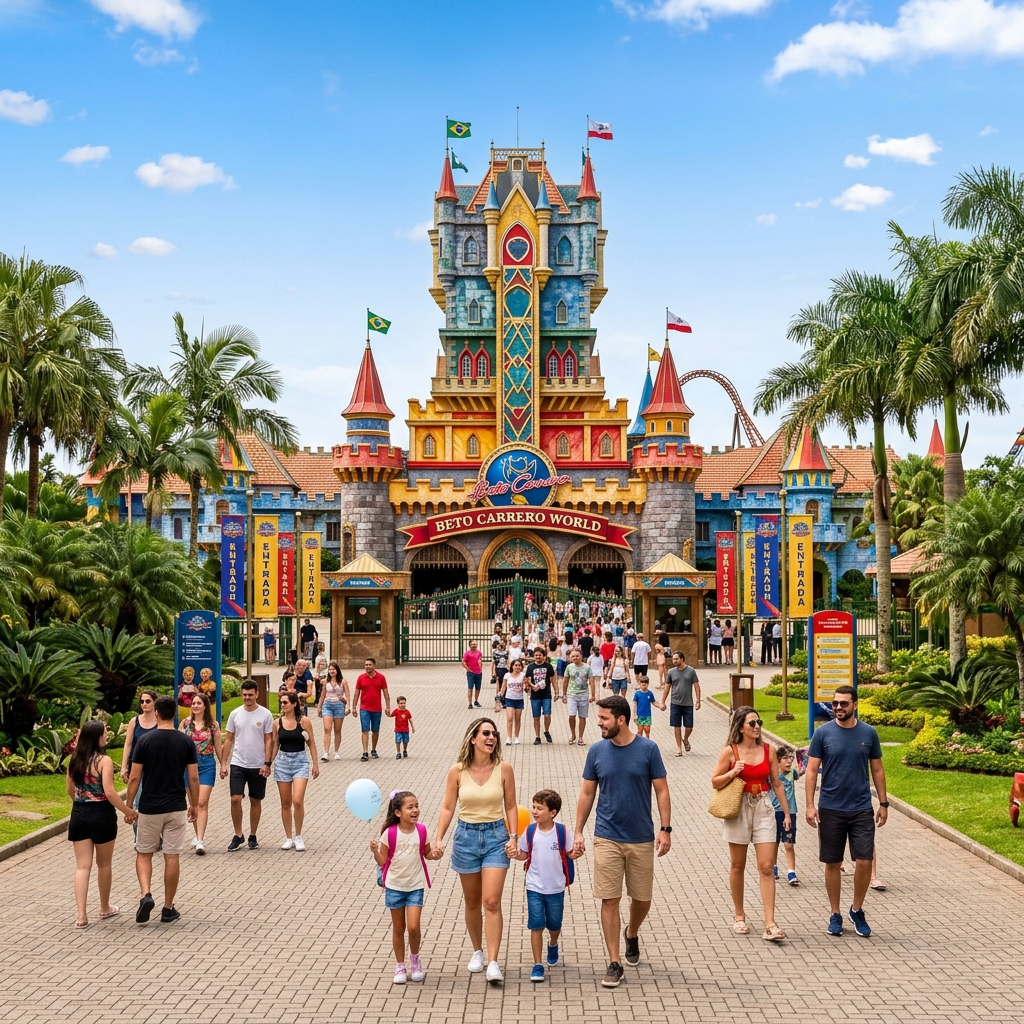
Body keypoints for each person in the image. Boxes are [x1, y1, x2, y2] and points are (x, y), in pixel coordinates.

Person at [573, 696, 671, 989]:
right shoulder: (596, 751)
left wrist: (665, 829)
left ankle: (632, 932)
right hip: (607, 836)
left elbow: (662, 791)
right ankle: (614, 961)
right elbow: (587, 793)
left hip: (641, 836)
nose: (599, 723)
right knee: (610, 898)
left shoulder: (648, 749)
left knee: (642, 899)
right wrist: (578, 831)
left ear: (621, 720)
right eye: (599, 718)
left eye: (604, 718)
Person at [432, 718, 519, 985]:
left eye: (494, 734)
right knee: (472, 901)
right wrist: (438, 838)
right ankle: (477, 951)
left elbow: (511, 806)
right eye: (486, 733)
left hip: (496, 837)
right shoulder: (457, 771)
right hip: (466, 837)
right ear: (473, 739)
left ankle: (493, 962)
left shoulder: (504, 769)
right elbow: (448, 807)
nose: (491, 737)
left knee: (491, 901)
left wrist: (514, 837)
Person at [805, 684, 888, 937]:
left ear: (855, 705)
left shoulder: (868, 733)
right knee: (832, 862)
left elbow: (877, 769)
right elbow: (811, 770)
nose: (838, 707)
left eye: (844, 703)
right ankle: (835, 914)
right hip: (830, 808)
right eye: (835, 703)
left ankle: (856, 909)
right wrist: (810, 805)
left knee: (864, 860)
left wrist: (883, 803)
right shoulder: (823, 733)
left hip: (861, 807)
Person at [711, 706, 791, 942]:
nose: (757, 727)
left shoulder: (769, 750)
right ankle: (739, 915)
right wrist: (733, 772)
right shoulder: (730, 751)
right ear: (740, 727)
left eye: (759, 723)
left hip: (764, 806)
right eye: (752, 723)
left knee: (766, 866)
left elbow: (777, 783)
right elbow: (715, 782)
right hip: (739, 808)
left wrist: (786, 813)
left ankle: (770, 924)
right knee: (738, 865)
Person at [126, 696, 199, 925]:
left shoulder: (145, 741)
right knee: (171, 855)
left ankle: (146, 894)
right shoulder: (186, 741)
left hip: (149, 806)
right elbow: (193, 778)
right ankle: (168, 907)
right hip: (176, 806)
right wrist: (194, 804)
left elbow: (135, 777)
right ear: (175, 714)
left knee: (144, 853)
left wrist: (129, 806)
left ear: (156, 713)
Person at [66, 720, 136, 927]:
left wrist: (81, 802)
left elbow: (70, 789)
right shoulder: (104, 761)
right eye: (105, 732)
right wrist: (128, 811)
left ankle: (81, 916)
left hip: (79, 813)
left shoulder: (74, 760)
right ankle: (104, 907)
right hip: (101, 814)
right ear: (97, 737)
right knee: (104, 864)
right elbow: (110, 792)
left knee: (82, 866)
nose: (107, 735)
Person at [371, 790, 441, 985]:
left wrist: (435, 854)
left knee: (413, 927)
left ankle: (415, 960)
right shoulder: (390, 833)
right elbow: (382, 861)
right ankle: (400, 965)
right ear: (398, 812)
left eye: (416, 806)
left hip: (415, 885)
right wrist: (375, 851)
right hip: (394, 886)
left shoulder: (422, 831)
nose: (415, 810)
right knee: (399, 928)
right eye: (410, 807)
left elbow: (427, 854)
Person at [512, 789, 578, 983]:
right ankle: (537, 964)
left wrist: (577, 852)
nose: (534, 811)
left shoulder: (562, 832)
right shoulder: (530, 831)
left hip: (556, 887)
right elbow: (524, 853)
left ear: (552, 812)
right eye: (534, 807)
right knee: (536, 925)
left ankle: (553, 943)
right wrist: (515, 854)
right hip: (534, 887)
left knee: (555, 924)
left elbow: (570, 853)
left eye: (539, 808)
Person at [220, 680, 274, 851]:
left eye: (250, 695)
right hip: (238, 763)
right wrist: (223, 763)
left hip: (258, 764)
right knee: (235, 798)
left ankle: (253, 835)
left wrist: (267, 763)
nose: (247, 697)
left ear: (257, 694)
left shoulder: (265, 714)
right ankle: (238, 835)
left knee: (255, 800)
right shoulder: (235, 714)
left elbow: (269, 740)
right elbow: (229, 739)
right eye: (244, 695)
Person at [271, 690, 320, 850]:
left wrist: (315, 764)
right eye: (281, 702)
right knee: (285, 803)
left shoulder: (304, 721)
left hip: (300, 762)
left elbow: (311, 743)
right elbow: (275, 744)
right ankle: (288, 837)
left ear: (294, 704)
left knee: (297, 801)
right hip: (282, 762)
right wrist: (267, 763)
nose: (283, 705)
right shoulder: (277, 723)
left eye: (285, 702)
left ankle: (298, 836)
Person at [179, 693, 223, 855]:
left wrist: (223, 764)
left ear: (205, 706)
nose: (195, 706)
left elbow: (218, 746)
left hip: (207, 765)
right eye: (193, 703)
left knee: (202, 802)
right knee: (193, 803)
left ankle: (200, 840)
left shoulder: (213, 725)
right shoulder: (185, 723)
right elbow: (179, 744)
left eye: (198, 703)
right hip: (188, 766)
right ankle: (197, 834)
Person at [121, 689, 158, 836]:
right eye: (142, 701)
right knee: (138, 802)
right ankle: (138, 837)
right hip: (137, 768)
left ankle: (155, 835)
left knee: (155, 803)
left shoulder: (160, 720)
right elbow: (128, 744)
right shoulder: (134, 721)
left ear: (154, 702)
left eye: (148, 701)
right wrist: (124, 766)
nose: (144, 704)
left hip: (155, 769)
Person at [661, 650, 701, 755]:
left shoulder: (691, 671)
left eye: (676, 659)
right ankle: (679, 748)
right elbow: (667, 687)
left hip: (688, 703)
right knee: (676, 726)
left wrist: (698, 700)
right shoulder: (671, 672)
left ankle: (686, 739)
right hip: (675, 703)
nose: (674, 661)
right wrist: (663, 701)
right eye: (673, 659)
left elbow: (696, 686)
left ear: (682, 659)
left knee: (689, 727)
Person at [771, 744, 800, 886]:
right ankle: (773, 867)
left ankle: (791, 872)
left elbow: (803, 769)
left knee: (788, 843)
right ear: (777, 761)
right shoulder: (771, 775)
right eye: (785, 758)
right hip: (774, 813)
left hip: (790, 812)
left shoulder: (792, 773)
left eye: (791, 758)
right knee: (774, 842)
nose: (789, 761)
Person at [353, 657, 391, 762]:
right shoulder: (361, 678)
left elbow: (386, 693)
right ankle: (365, 752)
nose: (368, 667)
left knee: (375, 730)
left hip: (376, 708)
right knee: (365, 730)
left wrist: (388, 706)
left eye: (370, 665)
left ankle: (373, 749)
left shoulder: (381, 678)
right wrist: (354, 707)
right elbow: (356, 693)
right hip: (364, 708)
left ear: (374, 666)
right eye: (366, 665)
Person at [316, 660, 350, 761]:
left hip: (339, 706)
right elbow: (322, 695)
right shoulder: (326, 681)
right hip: (327, 705)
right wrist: (319, 707)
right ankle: (326, 752)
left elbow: (347, 694)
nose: (331, 671)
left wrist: (348, 706)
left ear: (337, 670)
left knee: (337, 730)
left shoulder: (343, 681)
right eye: (330, 669)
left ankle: (336, 751)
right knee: (327, 728)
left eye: (333, 669)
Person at [563, 648, 596, 746]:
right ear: (570, 657)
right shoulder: (569, 667)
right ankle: (573, 735)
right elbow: (565, 681)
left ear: (581, 656)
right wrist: (564, 694)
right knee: (571, 715)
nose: (575, 658)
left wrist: (593, 694)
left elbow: (591, 681)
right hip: (572, 695)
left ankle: (581, 737)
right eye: (573, 656)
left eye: (577, 656)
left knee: (582, 717)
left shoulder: (587, 668)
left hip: (583, 695)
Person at [527, 646, 556, 745]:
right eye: (536, 655)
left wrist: (556, 691)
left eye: (539, 655)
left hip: (546, 694)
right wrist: (532, 686)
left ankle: (546, 731)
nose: (538, 657)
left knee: (547, 715)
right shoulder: (530, 667)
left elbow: (553, 679)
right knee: (536, 717)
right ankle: (537, 736)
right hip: (535, 696)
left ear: (543, 656)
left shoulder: (548, 666)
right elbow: (528, 680)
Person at [500, 657, 527, 745]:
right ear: (512, 666)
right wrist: (499, 697)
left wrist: (527, 688)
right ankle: (509, 737)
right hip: (509, 699)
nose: (517, 667)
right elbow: (503, 687)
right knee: (510, 718)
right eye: (516, 665)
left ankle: (516, 737)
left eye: (519, 665)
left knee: (517, 719)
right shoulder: (507, 675)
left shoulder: (523, 675)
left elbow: (526, 686)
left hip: (519, 699)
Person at [463, 640, 484, 710]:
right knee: (470, 688)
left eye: (475, 644)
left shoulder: (479, 653)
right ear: (470, 646)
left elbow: (480, 661)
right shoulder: (467, 654)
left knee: (478, 688)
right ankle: (470, 703)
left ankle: (476, 700)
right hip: (471, 673)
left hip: (478, 673)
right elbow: (463, 662)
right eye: (472, 644)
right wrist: (468, 669)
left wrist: (481, 668)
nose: (474, 646)